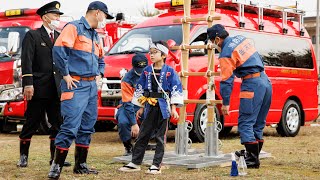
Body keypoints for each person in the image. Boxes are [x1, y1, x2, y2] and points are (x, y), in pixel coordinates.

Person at [47, 1, 113, 179]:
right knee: (69, 127)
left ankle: (80, 165)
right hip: (75, 84)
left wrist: (99, 73)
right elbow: (59, 50)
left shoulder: (95, 35)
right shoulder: (74, 27)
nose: (105, 20)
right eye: (105, 16)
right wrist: (65, 74)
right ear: (97, 13)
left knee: (87, 127)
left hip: (91, 86)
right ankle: (56, 167)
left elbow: (101, 59)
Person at [207, 24, 272, 168]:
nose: (213, 45)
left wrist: (225, 103)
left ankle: (252, 160)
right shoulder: (241, 39)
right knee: (258, 123)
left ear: (217, 39)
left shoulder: (226, 53)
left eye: (212, 42)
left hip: (252, 84)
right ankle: (252, 155)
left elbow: (226, 80)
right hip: (266, 81)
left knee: (245, 122)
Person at [18, 1, 71, 168]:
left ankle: (54, 158)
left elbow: (64, 60)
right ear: (45, 17)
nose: (57, 17)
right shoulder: (33, 35)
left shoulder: (59, 36)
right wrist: (28, 83)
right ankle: (23, 157)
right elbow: (26, 60)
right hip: (38, 87)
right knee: (31, 122)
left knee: (57, 124)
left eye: (58, 15)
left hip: (56, 88)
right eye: (55, 15)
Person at [119, 41, 183, 174]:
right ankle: (135, 162)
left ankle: (156, 164)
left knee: (160, 136)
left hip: (163, 106)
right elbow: (140, 88)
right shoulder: (147, 71)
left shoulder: (170, 72)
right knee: (143, 134)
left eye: (155, 52)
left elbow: (176, 90)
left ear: (164, 55)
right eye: (150, 52)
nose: (151, 55)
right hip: (149, 105)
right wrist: (141, 107)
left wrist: (174, 108)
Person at [116, 53, 148, 156]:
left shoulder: (151, 74)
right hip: (129, 105)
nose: (141, 73)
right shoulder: (127, 80)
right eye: (139, 70)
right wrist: (134, 123)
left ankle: (145, 143)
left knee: (151, 119)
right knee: (123, 122)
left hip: (146, 104)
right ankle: (128, 147)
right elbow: (127, 103)